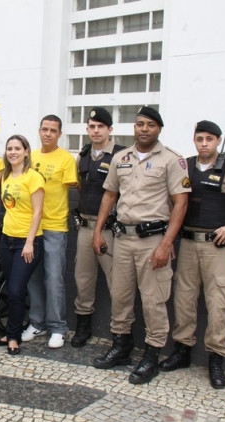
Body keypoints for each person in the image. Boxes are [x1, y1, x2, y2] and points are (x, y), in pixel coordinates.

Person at [91, 106, 190, 385]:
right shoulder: (121, 157)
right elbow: (109, 196)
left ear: (159, 129)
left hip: (153, 241)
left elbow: (180, 203)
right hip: (122, 239)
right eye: (139, 124)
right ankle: (121, 347)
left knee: (153, 300)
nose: (143, 129)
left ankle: (151, 356)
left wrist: (166, 243)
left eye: (149, 125)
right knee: (120, 296)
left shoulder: (172, 160)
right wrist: (98, 232)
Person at [159, 120, 225, 389]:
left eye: (209, 139)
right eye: (199, 138)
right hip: (188, 244)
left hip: (217, 247)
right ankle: (182, 351)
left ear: (218, 141)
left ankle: (216, 358)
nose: (204, 143)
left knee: (218, 304)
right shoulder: (186, 167)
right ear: (194, 140)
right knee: (184, 300)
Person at [22, 115, 78, 349]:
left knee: (54, 278)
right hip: (31, 227)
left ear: (59, 134)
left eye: (53, 130)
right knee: (33, 278)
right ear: (39, 130)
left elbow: (72, 186)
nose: (47, 134)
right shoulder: (30, 157)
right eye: (44, 129)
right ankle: (37, 322)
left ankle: (58, 327)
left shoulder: (66, 159)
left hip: (55, 225)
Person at [71, 108, 125, 348]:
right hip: (85, 226)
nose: (95, 131)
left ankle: (120, 335)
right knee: (83, 280)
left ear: (110, 130)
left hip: (110, 231)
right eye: (91, 126)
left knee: (117, 283)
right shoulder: (82, 155)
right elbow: (83, 190)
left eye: (100, 127)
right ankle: (83, 327)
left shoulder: (122, 156)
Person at [0, 135, 44, 355]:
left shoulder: (34, 177)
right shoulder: (6, 176)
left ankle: (14, 337)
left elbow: (38, 212)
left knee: (15, 290)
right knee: (13, 289)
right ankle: (11, 332)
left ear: (26, 152)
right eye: (9, 148)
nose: (12, 152)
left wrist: (30, 242)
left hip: (27, 242)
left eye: (17, 148)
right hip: (7, 240)